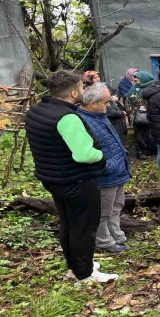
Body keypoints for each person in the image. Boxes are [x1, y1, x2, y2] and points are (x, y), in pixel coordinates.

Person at [25, 71, 118, 283]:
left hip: (53, 177)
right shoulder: (67, 118)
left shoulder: (37, 110)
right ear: (74, 92)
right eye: (82, 88)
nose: (84, 91)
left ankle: (76, 264)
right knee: (84, 227)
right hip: (76, 180)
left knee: (69, 223)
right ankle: (85, 274)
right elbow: (84, 155)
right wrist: (101, 155)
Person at [77, 83, 131, 254]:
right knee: (103, 211)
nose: (108, 106)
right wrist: (108, 166)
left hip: (117, 171)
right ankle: (104, 241)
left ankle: (117, 235)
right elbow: (86, 152)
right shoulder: (83, 121)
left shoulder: (100, 116)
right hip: (105, 174)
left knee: (116, 206)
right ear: (93, 103)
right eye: (106, 102)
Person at [126, 71, 156, 159]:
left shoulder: (152, 87)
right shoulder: (134, 88)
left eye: (137, 78)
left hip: (151, 115)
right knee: (139, 134)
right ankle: (141, 152)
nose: (135, 80)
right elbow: (128, 100)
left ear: (144, 78)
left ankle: (152, 150)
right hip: (137, 116)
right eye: (135, 78)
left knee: (151, 134)